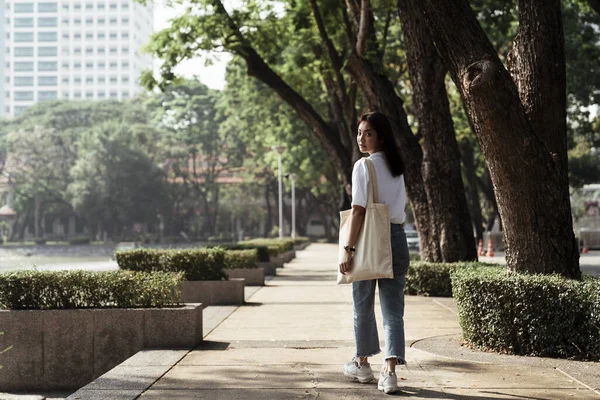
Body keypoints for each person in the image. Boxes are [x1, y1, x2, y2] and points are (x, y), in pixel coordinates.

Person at [339, 111, 410, 394]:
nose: (361, 138)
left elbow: (358, 211)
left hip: (369, 240)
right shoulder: (397, 167)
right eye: (359, 133)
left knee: (362, 305)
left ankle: (362, 364)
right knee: (394, 310)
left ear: (381, 136)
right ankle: (389, 372)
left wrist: (348, 249)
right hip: (398, 238)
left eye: (367, 133)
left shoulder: (363, 167)